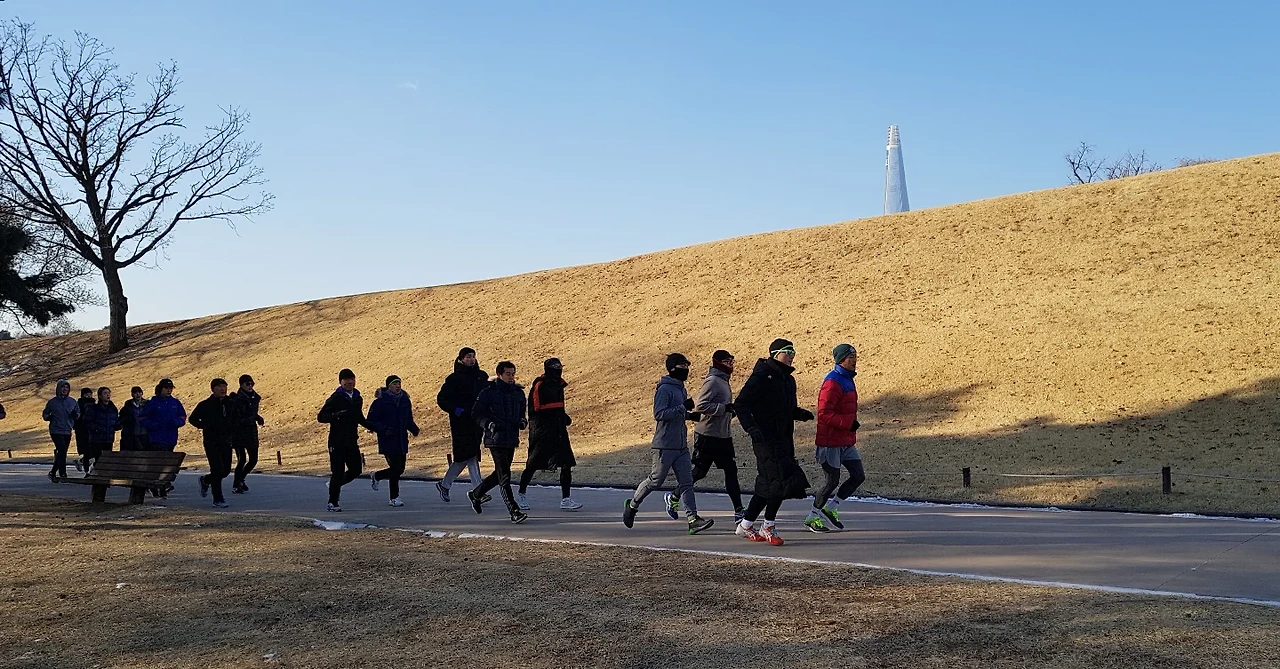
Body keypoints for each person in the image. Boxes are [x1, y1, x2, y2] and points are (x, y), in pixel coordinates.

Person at [733, 338, 814, 546]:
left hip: (783, 437)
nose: (792, 356)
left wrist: (799, 413)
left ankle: (746, 524)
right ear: (775, 354)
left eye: (793, 352)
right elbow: (741, 404)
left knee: (768, 482)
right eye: (788, 352)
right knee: (780, 481)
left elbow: (786, 408)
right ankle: (767, 526)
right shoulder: (762, 377)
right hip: (764, 438)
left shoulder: (788, 380)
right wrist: (751, 428)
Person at [622, 354, 714, 535]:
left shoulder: (681, 389)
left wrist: (690, 416)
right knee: (656, 480)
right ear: (672, 368)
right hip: (664, 445)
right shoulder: (664, 389)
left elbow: (677, 413)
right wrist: (683, 408)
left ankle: (693, 519)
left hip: (681, 446)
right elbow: (659, 414)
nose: (686, 369)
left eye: (687, 366)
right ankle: (632, 505)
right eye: (682, 366)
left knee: (687, 483)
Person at [669, 349, 745, 521]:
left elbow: (722, 406)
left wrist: (731, 411)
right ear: (718, 362)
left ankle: (739, 510)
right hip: (707, 434)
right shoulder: (712, 381)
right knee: (699, 472)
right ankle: (674, 495)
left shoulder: (724, 380)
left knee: (731, 471)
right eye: (727, 362)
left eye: (732, 362)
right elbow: (701, 405)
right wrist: (723, 408)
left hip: (723, 435)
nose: (730, 365)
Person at [806, 343, 866, 532]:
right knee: (831, 481)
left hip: (845, 440)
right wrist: (848, 423)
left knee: (858, 475)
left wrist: (849, 426)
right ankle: (812, 517)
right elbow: (824, 413)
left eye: (855, 357)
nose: (854, 361)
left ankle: (831, 508)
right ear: (841, 360)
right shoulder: (832, 382)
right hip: (830, 442)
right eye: (851, 357)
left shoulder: (847, 379)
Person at [516, 358, 582, 511]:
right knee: (533, 464)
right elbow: (536, 408)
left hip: (558, 430)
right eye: (555, 368)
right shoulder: (540, 385)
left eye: (559, 367)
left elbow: (559, 407)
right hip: (542, 431)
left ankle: (566, 499)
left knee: (566, 464)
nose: (558, 371)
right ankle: (521, 493)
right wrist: (556, 414)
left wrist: (562, 416)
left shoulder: (559, 385)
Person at [467, 361, 528, 523]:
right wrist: (488, 424)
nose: (511, 377)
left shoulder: (518, 393)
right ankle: (514, 510)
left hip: (511, 438)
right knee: (505, 476)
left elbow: (522, 412)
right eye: (508, 374)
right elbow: (476, 413)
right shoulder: (489, 392)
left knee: (499, 473)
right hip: (495, 439)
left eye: (513, 374)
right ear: (499, 375)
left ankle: (476, 494)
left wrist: (522, 421)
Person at [434, 347, 488, 502]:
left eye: (473, 356)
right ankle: (478, 491)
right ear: (461, 359)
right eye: (468, 357)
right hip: (461, 423)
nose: (471, 359)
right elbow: (442, 399)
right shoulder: (454, 379)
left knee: (465, 456)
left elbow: (487, 395)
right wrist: (455, 409)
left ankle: (444, 484)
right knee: (469, 455)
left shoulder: (481, 376)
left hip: (476, 422)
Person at [317, 368, 372, 512]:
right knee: (338, 472)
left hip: (351, 440)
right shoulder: (336, 398)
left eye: (351, 379)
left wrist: (374, 427)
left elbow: (359, 417)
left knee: (356, 470)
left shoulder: (357, 398)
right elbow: (321, 417)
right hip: (336, 441)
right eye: (346, 380)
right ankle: (333, 502)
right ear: (341, 382)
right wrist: (335, 416)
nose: (349, 382)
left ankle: (334, 485)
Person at [367, 375, 420, 507]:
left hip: (401, 439)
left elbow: (408, 418)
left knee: (400, 469)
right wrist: (384, 429)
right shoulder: (380, 401)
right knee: (396, 468)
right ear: (388, 386)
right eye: (395, 383)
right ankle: (394, 497)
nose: (398, 386)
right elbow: (371, 420)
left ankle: (377, 476)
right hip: (388, 439)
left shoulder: (405, 400)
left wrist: (413, 429)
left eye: (399, 383)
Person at [189, 378, 238, 508]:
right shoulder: (205, 404)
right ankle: (218, 498)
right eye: (219, 386)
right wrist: (205, 426)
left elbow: (236, 418)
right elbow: (192, 419)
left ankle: (206, 480)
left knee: (226, 470)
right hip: (211, 441)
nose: (223, 389)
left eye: (224, 386)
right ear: (213, 389)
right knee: (217, 469)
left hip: (226, 440)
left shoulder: (231, 403)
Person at [229, 375, 265, 494]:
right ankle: (236, 484)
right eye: (247, 384)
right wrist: (245, 420)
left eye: (251, 384)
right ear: (241, 385)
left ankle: (241, 479)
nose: (250, 386)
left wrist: (258, 418)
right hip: (238, 432)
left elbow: (252, 413)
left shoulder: (255, 397)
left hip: (251, 431)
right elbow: (234, 417)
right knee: (242, 459)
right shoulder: (236, 399)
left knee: (253, 459)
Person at [41, 379, 80, 482]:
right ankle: (63, 473)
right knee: (62, 450)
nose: (65, 389)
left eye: (67, 387)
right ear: (58, 389)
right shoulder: (52, 402)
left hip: (67, 429)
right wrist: (49, 417)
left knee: (63, 452)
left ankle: (53, 472)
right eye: (63, 387)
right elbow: (45, 414)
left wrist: (75, 415)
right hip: (56, 430)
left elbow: (78, 414)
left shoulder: (72, 402)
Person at [141, 378, 187, 453]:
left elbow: (182, 416)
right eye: (166, 388)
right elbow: (142, 417)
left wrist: (176, 422)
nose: (169, 390)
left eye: (171, 388)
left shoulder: (175, 402)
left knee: (169, 457)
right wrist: (151, 425)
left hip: (171, 437)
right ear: (161, 389)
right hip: (157, 437)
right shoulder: (153, 402)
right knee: (161, 457)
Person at [82, 387, 120, 473]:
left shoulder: (112, 408)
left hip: (109, 438)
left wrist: (118, 425)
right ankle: (92, 473)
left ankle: (102, 475)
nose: (107, 395)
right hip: (97, 438)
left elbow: (115, 421)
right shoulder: (94, 408)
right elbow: (87, 422)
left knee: (107, 459)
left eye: (108, 393)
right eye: (105, 393)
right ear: (100, 396)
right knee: (97, 459)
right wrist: (96, 429)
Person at [118, 386, 150, 451]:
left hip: (145, 435)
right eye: (135, 393)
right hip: (132, 435)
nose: (138, 394)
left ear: (142, 393)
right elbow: (122, 420)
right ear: (132, 394)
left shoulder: (148, 405)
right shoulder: (127, 407)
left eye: (139, 392)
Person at [72, 387, 94, 472]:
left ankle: (80, 462)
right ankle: (86, 470)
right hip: (81, 430)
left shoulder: (94, 404)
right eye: (86, 395)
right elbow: (76, 418)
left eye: (90, 394)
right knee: (86, 451)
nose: (89, 396)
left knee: (92, 451)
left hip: (92, 431)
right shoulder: (79, 405)